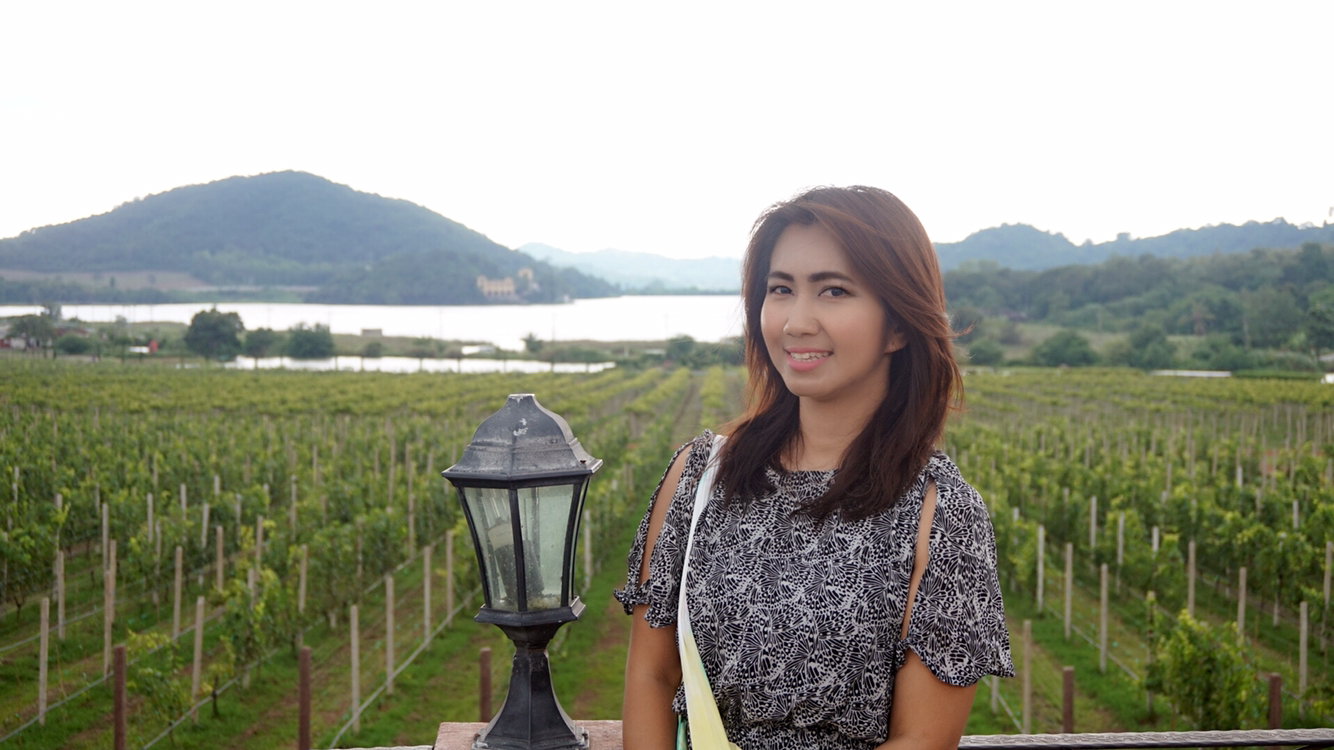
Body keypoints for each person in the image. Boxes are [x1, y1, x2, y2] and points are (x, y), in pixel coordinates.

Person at [616, 186, 1014, 750]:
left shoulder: (938, 513)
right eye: (781, 289)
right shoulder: (701, 475)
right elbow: (652, 676)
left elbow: (923, 739)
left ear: (899, 326)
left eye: (834, 291)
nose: (796, 322)